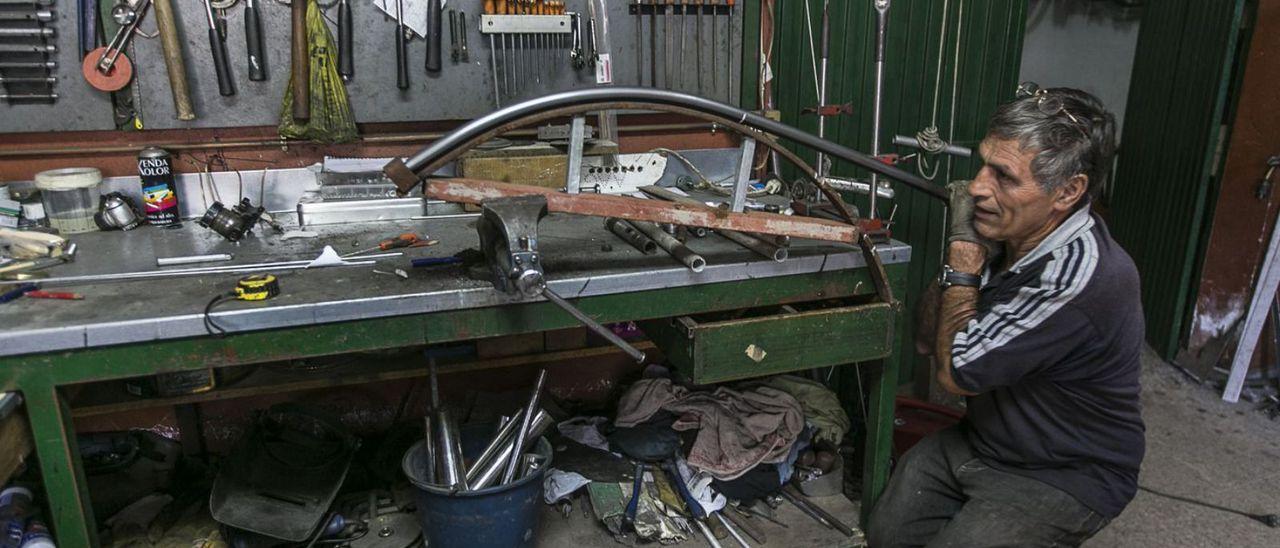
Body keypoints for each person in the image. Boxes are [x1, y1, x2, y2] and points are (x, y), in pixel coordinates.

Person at [867, 87, 1146, 547]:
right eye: (983, 164)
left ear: (1069, 191)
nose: (977, 186)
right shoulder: (1014, 236)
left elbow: (956, 374)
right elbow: (925, 341)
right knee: (886, 537)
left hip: (1064, 472)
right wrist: (967, 262)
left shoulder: (1080, 278)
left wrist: (963, 260)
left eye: (1004, 176)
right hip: (984, 440)